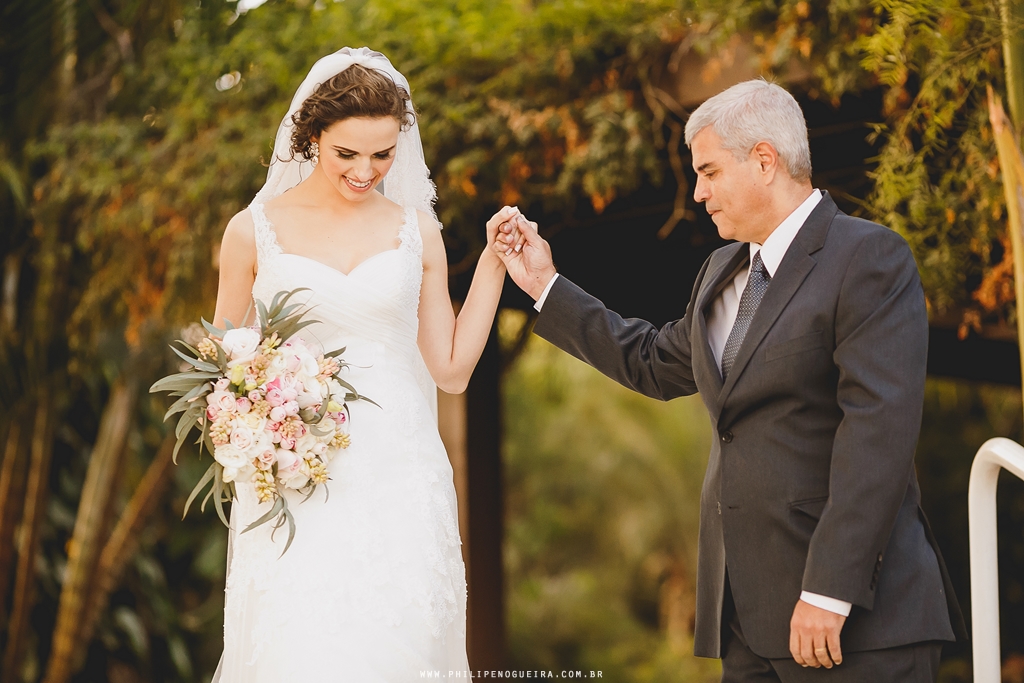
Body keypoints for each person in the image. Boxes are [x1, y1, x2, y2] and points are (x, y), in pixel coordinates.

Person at [493, 79, 966, 682]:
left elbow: (878, 432)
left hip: (854, 623)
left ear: (764, 161)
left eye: (710, 172)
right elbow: (650, 361)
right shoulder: (720, 271)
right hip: (747, 621)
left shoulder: (868, 258)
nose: (698, 193)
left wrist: (829, 589)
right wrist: (543, 286)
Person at [210, 47, 521, 681]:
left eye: (382, 154)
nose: (366, 171)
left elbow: (453, 369)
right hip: (295, 477)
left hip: (400, 472)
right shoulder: (252, 231)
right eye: (346, 153)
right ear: (311, 136)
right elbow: (221, 366)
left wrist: (492, 266)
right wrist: (256, 420)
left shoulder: (416, 231)